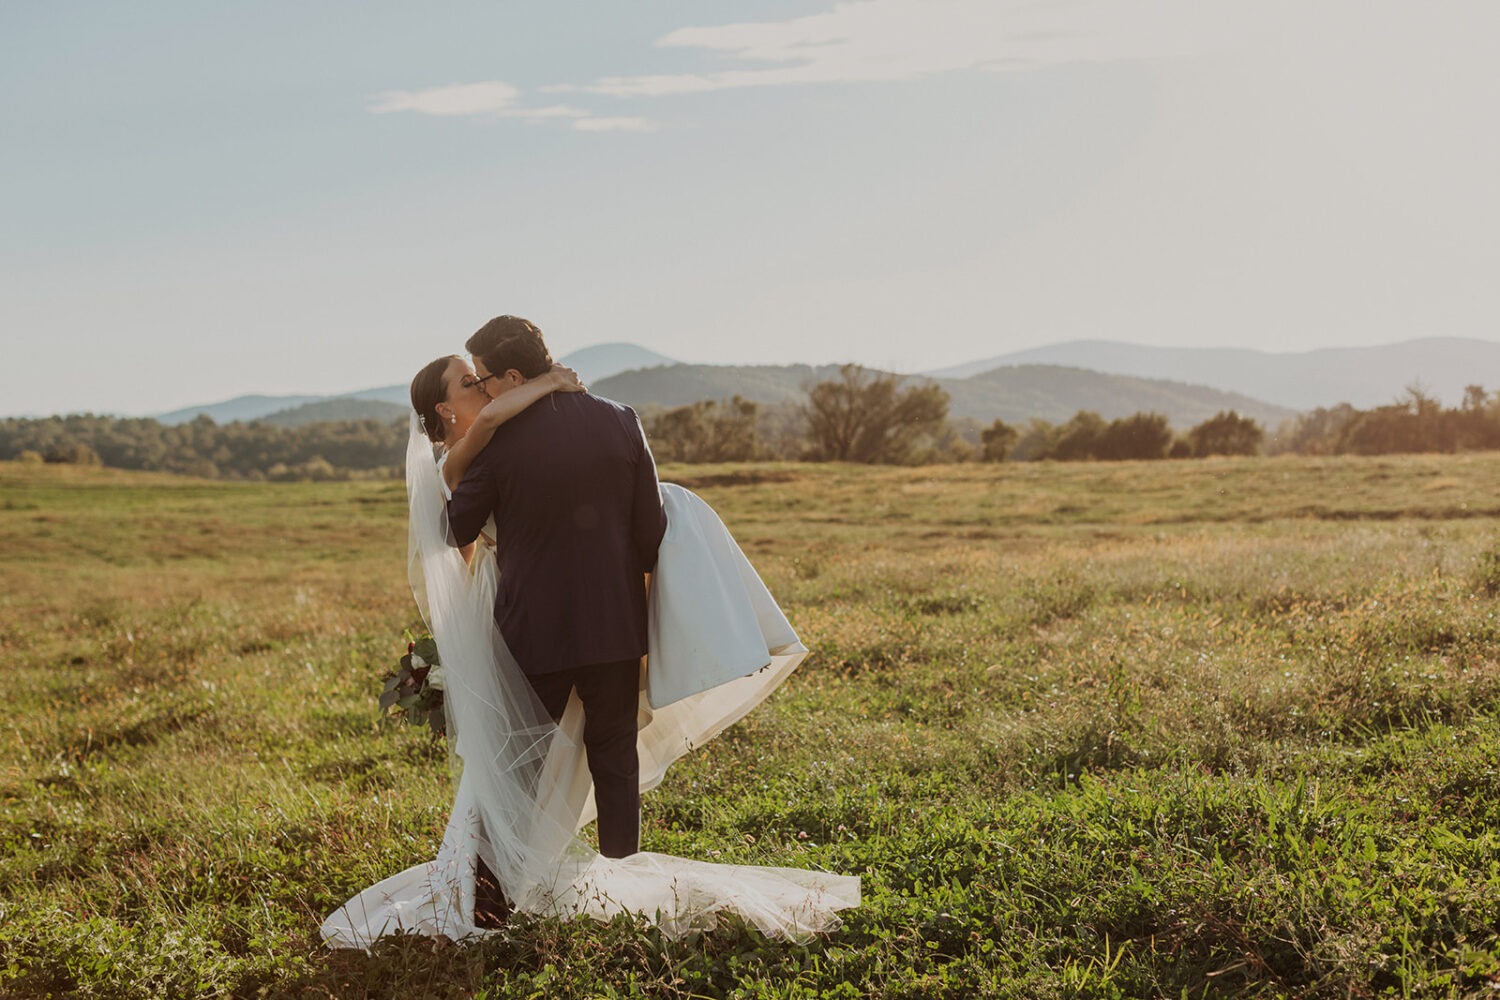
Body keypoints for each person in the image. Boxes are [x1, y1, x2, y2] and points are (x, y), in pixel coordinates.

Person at [321, 318, 859, 947]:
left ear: (512, 377)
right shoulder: (620, 418)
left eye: (485, 378)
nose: (485, 391)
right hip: (614, 623)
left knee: (517, 760)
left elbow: (454, 533)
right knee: (613, 752)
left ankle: (491, 899)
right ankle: (619, 878)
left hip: (531, 631)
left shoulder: (498, 443)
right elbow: (650, 529)